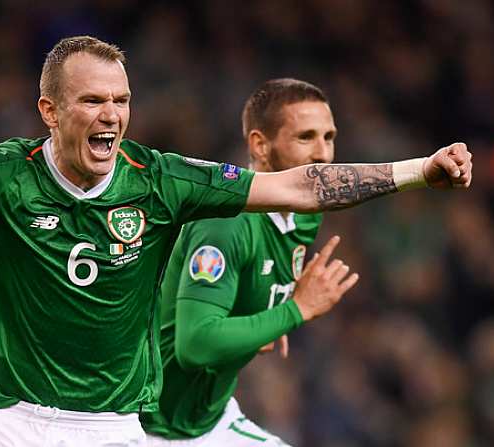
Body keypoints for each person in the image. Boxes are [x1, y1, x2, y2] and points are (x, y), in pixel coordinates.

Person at [0, 36, 472, 447]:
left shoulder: (162, 178)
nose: (112, 114)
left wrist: (418, 171)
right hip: (10, 420)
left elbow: (304, 185)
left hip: (113, 426)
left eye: (122, 100)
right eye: (92, 100)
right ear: (49, 108)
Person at [140, 78, 348, 446]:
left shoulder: (304, 216)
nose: (323, 154)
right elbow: (195, 345)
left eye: (328, 137)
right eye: (306, 138)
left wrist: (264, 322)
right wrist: (295, 311)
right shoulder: (226, 221)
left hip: (208, 420)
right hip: (141, 426)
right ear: (260, 145)